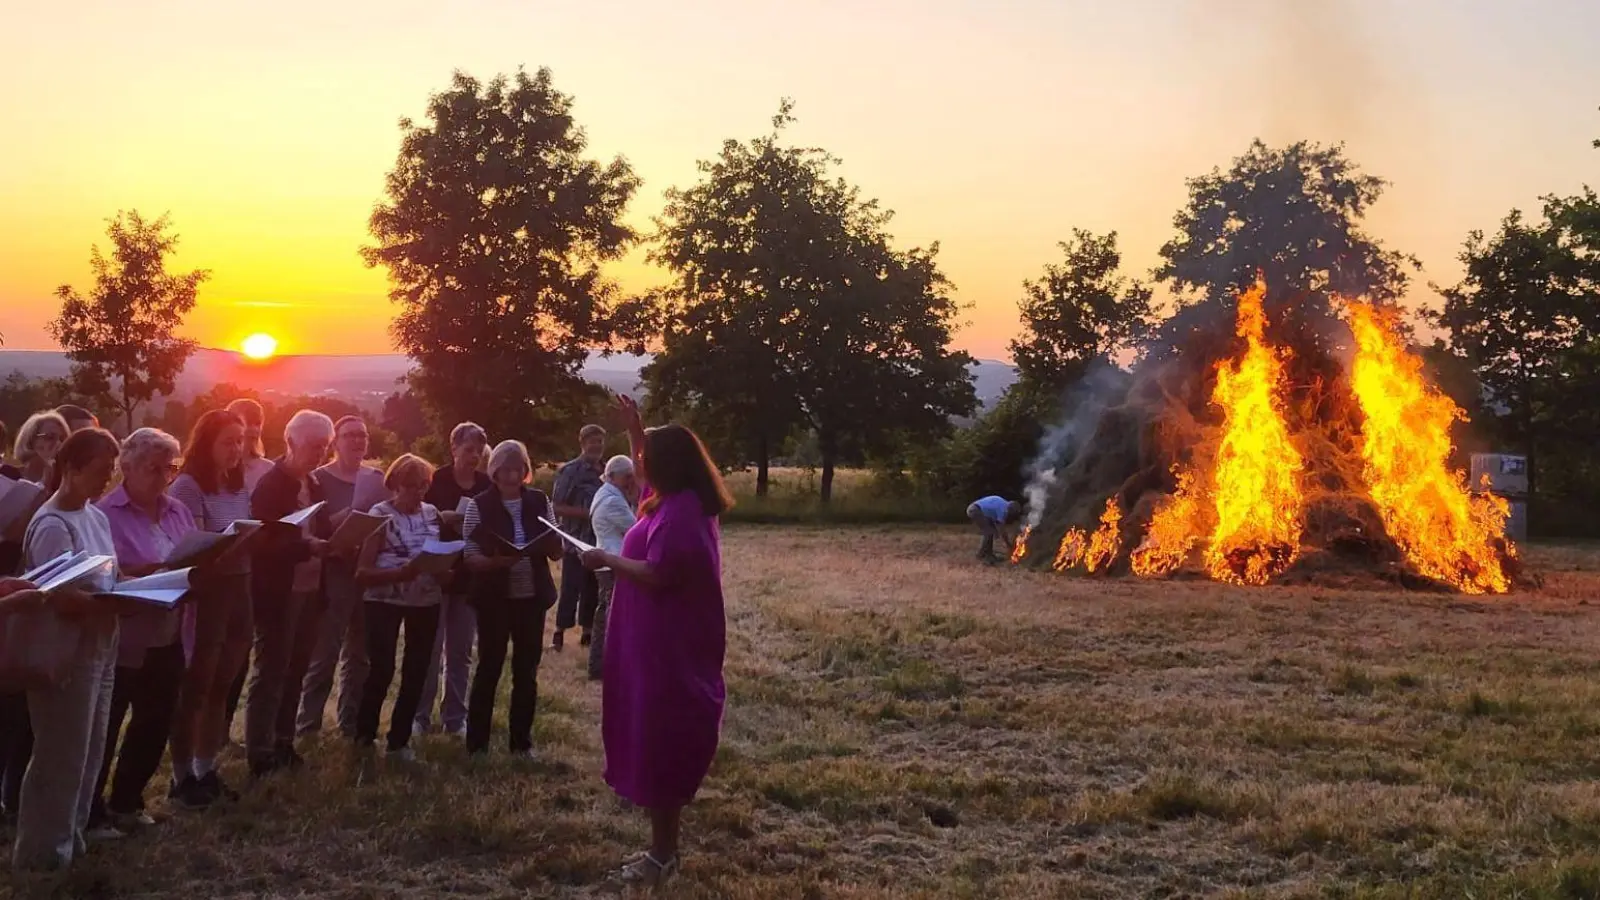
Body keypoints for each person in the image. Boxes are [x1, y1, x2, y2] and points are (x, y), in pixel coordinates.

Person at [579, 396, 731, 886]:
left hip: (667, 647)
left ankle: (662, 855)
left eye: (647, 457)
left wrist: (605, 558)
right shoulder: (671, 497)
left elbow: (659, 573)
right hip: (649, 638)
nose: (640, 465)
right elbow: (645, 475)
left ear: (669, 465)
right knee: (646, 733)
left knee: (660, 740)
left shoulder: (682, 512)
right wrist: (635, 430)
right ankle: (661, 849)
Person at [13, 427, 123, 870]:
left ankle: (72, 838)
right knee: (61, 751)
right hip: (66, 649)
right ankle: (42, 854)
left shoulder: (95, 516)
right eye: (100, 470)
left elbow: (111, 574)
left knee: (91, 749)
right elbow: (57, 594)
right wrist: (113, 604)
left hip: (102, 643)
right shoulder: (52, 524)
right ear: (71, 469)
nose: (107, 478)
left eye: (111, 469)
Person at [89, 429, 191, 835]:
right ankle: (90, 810)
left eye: (170, 468)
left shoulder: (177, 510)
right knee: (106, 725)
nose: (163, 477)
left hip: (171, 631)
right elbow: (101, 576)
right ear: (126, 467)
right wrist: (152, 573)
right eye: (154, 468)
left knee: (155, 720)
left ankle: (128, 801)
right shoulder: (104, 514)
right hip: (125, 637)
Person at [168, 410, 256, 808]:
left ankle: (206, 768)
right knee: (197, 685)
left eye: (240, 440)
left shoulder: (237, 484)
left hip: (241, 584)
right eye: (228, 441)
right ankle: (181, 775)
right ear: (206, 443)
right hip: (209, 591)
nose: (236, 449)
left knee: (224, 680)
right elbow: (199, 546)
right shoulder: (189, 485)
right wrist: (235, 542)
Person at [244, 410, 332, 777]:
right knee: (271, 671)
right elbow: (262, 543)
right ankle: (259, 749)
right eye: (314, 445)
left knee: (297, 667)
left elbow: (320, 529)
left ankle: (283, 741)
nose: (320, 453)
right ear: (291, 442)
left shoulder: (315, 483)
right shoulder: (271, 486)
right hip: (279, 591)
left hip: (311, 586)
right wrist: (306, 547)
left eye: (325, 446)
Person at [461, 440, 561, 758]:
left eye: (518, 469)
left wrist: (553, 542)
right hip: (494, 598)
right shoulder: (479, 504)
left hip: (531, 597)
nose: (512, 476)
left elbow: (555, 546)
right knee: (489, 667)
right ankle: (477, 744)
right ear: (495, 471)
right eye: (506, 469)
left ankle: (521, 743)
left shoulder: (538, 500)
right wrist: (496, 563)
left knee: (526, 671)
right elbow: (470, 555)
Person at [352, 454, 444, 762]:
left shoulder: (431, 514)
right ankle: (364, 735)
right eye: (411, 486)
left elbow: (437, 552)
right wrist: (398, 574)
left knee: (417, 669)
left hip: (426, 599)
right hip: (384, 599)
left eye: (423, 485)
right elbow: (362, 572)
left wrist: (444, 570)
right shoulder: (379, 515)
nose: (418, 492)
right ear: (395, 484)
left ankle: (399, 740)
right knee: (382, 668)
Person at [297, 416, 383, 739]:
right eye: (349, 435)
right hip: (332, 573)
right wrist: (351, 514)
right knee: (324, 653)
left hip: (367, 571)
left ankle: (350, 723)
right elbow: (314, 527)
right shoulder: (318, 479)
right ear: (336, 441)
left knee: (360, 655)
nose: (358, 441)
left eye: (362, 435)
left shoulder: (376, 479)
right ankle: (307, 725)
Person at [0, 412, 63, 825]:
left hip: (25, 595)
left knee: (19, 706)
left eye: (60, 438)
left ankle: (14, 794)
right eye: (46, 436)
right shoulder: (14, 480)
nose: (52, 444)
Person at [415, 422, 491, 738]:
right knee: (429, 650)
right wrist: (441, 517)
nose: (474, 456)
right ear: (454, 448)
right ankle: (419, 716)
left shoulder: (486, 485)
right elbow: (417, 518)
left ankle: (455, 718)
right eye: (468, 449)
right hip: (436, 572)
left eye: (479, 451)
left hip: (468, 576)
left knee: (460, 652)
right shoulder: (435, 481)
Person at [221, 397, 271, 738]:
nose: (252, 428)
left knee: (243, 650)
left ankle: (224, 728)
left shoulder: (267, 469)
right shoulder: (222, 471)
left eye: (257, 422)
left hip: (262, 568)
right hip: (229, 568)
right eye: (244, 421)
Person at [550, 424, 606, 651]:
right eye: (592, 441)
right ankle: (559, 632)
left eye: (600, 441)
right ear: (582, 443)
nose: (597, 446)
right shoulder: (570, 471)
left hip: (598, 540)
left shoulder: (606, 471)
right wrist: (587, 513)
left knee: (593, 588)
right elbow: (556, 506)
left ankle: (588, 632)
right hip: (575, 540)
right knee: (570, 588)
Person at [586, 454, 637, 681]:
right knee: (612, 617)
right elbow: (636, 528)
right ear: (614, 476)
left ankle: (599, 665)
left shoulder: (604, 494)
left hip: (606, 559)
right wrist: (636, 500)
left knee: (604, 614)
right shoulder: (613, 501)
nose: (630, 481)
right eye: (627, 477)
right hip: (613, 561)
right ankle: (606, 665)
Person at [227, 398, 275, 493]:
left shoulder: (269, 470)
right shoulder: (218, 470)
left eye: (257, 424)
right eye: (248, 423)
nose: (255, 429)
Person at [12, 410, 69, 485]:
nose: (58, 443)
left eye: (62, 439)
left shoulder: (66, 482)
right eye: (50, 437)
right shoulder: (9, 476)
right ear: (31, 440)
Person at [967, 496, 1023, 565]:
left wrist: (996, 532)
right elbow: (1002, 529)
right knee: (988, 532)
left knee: (991, 531)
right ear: (1011, 509)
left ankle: (989, 555)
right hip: (975, 510)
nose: (1010, 515)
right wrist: (1008, 544)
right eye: (1013, 513)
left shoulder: (1003, 503)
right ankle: (981, 555)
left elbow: (996, 523)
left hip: (977, 510)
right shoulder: (1003, 510)